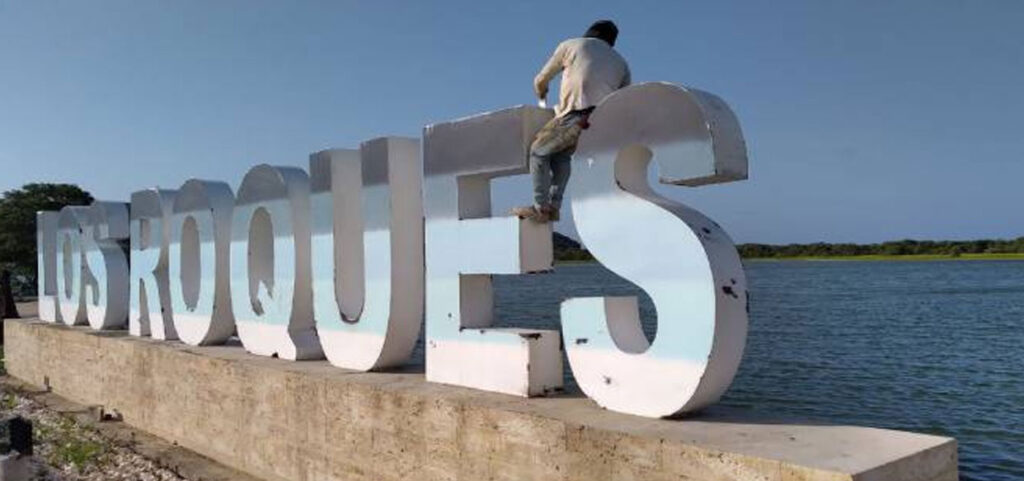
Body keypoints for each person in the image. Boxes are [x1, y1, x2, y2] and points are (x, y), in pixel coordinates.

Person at [512, 20, 631, 223]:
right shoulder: (621, 62)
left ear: (589, 33)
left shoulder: (572, 45)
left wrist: (541, 95)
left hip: (575, 114)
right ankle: (554, 207)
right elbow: (622, 98)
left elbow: (540, 80)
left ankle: (540, 208)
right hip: (599, 121)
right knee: (560, 157)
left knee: (538, 152)